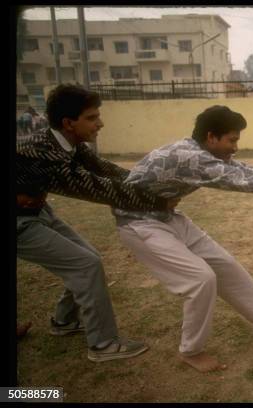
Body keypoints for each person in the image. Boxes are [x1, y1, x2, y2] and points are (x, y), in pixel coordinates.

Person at [112, 105, 253, 373]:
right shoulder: (190, 157)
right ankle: (190, 351)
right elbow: (242, 180)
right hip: (139, 223)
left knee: (226, 265)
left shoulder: (201, 152)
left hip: (166, 216)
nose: (235, 147)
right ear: (211, 137)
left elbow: (244, 169)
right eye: (232, 140)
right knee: (201, 280)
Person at [16, 84, 178, 362]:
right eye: (92, 117)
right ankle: (103, 345)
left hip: (37, 211)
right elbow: (100, 189)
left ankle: (64, 322)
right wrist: (160, 202)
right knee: (85, 264)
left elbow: (106, 169)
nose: (100, 123)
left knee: (89, 258)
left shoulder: (65, 141)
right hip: (20, 221)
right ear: (69, 123)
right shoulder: (49, 156)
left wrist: (150, 184)